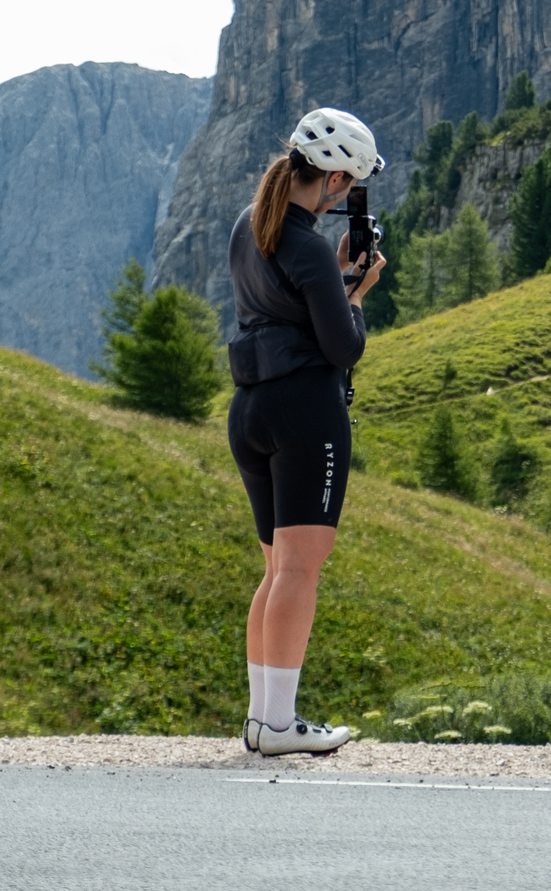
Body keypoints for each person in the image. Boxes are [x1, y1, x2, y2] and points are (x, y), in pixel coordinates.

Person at [226, 107, 384, 756]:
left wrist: (334, 282)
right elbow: (343, 347)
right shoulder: (312, 246)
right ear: (336, 178)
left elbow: (289, 311)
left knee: (275, 570)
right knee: (300, 570)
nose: (347, 197)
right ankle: (282, 725)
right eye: (350, 185)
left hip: (251, 409)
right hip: (305, 413)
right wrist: (357, 288)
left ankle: (264, 719)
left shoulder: (249, 226)